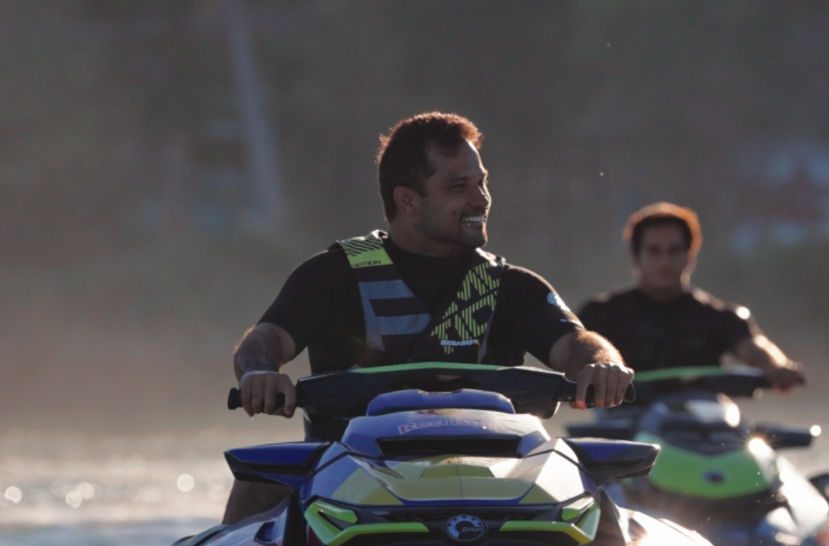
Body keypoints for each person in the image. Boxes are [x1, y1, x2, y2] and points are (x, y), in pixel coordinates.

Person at [223, 111, 633, 523]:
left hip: (496, 480)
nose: (481, 199)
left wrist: (602, 365)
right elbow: (266, 340)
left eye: (482, 183)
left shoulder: (512, 286)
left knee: (586, 490)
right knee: (259, 480)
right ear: (407, 200)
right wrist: (259, 373)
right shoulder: (332, 275)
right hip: (347, 482)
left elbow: (575, 343)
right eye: (459, 187)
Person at [579, 202, 805, 388]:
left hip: (703, 422)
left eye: (674, 251)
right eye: (654, 251)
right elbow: (576, 351)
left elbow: (754, 346)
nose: (665, 261)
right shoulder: (601, 314)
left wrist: (777, 366)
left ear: (690, 256)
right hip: (624, 422)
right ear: (636, 257)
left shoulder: (720, 317)